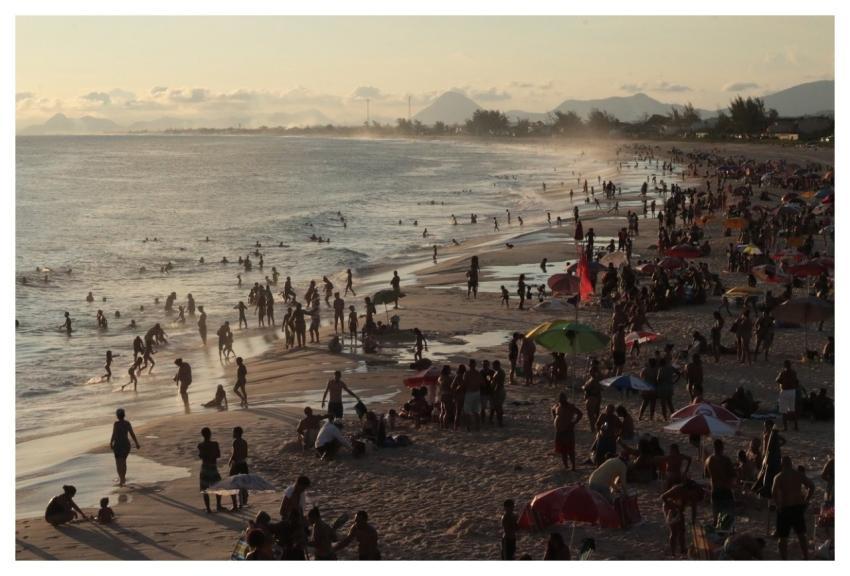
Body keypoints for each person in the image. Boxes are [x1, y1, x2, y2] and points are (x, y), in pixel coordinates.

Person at [772, 456, 815, 560]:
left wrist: (778, 505)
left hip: (785, 508)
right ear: (791, 464)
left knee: (783, 538)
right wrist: (806, 499)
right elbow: (812, 486)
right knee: (801, 535)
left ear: (782, 465)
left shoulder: (779, 476)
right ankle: (805, 557)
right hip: (797, 508)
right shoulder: (798, 475)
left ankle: (784, 559)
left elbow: (773, 493)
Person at [704, 439, 736, 527]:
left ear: (714, 447)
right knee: (727, 519)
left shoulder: (708, 460)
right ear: (722, 447)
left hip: (715, 491)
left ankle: (717, 538)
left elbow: (706, 475)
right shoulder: (726, 460)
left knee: (716, 518)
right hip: (725, 491)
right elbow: (733, 475)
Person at [279, 476, 310, 558]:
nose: (304, 490)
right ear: (298, 485)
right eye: (303, 488)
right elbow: (282, 511)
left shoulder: (301, 495)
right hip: (288, 525)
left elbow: (300, 511)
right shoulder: (290, 493)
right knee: (289, 552)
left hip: (297, 526)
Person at [109, 408, 140, 487]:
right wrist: (136, 443)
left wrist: (111, 442)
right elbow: (132, 434)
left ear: (117, 416)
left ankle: (121, 479)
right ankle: (123, 479)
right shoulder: (127, 423)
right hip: (126, 445)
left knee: (118, 463)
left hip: (118, 445)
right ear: (124, 415)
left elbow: (114, 434)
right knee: (123, 462)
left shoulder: (116, 424)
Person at [552, 392, 583, 470]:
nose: (561, 400)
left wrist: (574, 422)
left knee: (570, 450)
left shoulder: (570, 407)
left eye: (563, 398)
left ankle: (573, 466)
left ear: (565, 399)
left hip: (568, 430)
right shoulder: (557, 406)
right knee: (563, 450)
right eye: (560, 398)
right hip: (559, 431)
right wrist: (555, 419)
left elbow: (580, 414)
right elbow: (553, 411)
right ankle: (566, 465)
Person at [198, 427, 224, 513]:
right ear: (210, 434)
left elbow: (201, 456)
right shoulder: (215, 444)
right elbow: (218, 455)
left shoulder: (201, 445)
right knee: (218, 486)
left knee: (204, 489)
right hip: (213, 467)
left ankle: (208, 508)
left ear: (202, 435)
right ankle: (218, 505)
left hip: (205, 468)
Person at [229, 426, 249, 510]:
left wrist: (230, 460)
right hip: (244, 464)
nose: (233, 433)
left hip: (237, 465)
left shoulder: (235, 442)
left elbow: (234, 454)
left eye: (234, 432)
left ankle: (235, 505)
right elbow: (245, 454)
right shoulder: (244, 442)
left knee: (232, 484)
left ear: (237, 433)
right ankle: (242, 503)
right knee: (243, 485)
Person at [776, 360, 800, 432]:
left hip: (785, 391)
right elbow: (797, 381)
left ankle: (785, 427)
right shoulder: (794, 373)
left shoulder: (783, 373)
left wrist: (783, 382)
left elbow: (777, 380)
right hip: (792, 391)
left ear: (785, 365)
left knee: (784, 411)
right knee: (792, 410)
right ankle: (796, 426)